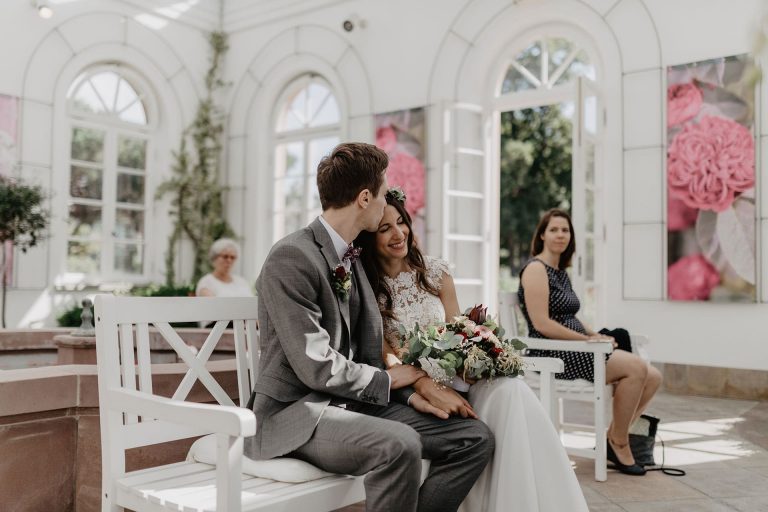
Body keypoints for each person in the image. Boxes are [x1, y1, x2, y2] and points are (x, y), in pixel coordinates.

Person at [246, 143, 494, 512]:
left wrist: (413, 394)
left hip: (354, 404)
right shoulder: (292, 256)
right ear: (365, 198)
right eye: (382, 194)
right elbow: (316, 365)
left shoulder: (354, 258)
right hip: (299, 414)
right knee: (400, 444)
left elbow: (369, 353)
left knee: (473, 438)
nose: (385, 203)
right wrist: (394, 381)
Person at [355, 190, 588, 512]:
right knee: (503, 404)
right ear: (370, 238)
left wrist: (479, 355)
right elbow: (388, 357)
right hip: (419, 384)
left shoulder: (435, 272)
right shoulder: (368, 289)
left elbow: (458, 329)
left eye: (401, 222)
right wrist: (425, 381)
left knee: (511, 390)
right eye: (385, 229)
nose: (399, 233)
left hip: (460, 375)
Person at [518, 208, 662, 476]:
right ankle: (620, 443)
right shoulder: (536, 269)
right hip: (554, 353)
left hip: (577, 347)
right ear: (542, 235)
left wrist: (595, 335)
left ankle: (613, 437)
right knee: (636, 368)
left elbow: (571, 316)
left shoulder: (560, 272)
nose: (560, 235)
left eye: (565, 230)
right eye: (553, 229)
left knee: (653, 376)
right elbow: (542, 324)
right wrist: (586, 340)